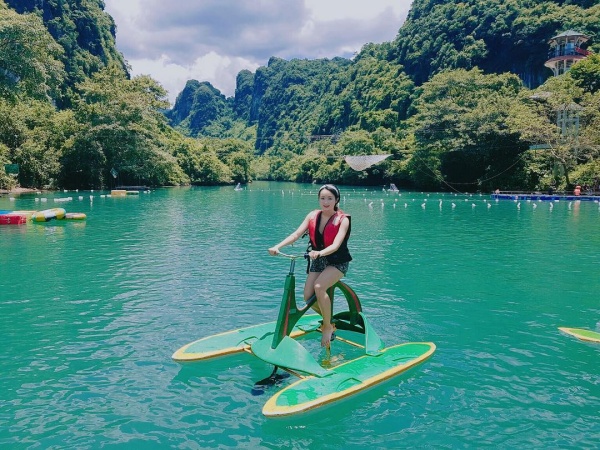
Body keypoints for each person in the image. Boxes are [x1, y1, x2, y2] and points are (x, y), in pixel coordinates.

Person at [268, 184, 352, 349]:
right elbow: (296, 234)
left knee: (319, 287)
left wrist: (320, 253)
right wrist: (278, 247)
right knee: (308, 296)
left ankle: (327, 326)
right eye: (322, 198)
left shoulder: (343, 220)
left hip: (337, 261)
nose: (326, 202)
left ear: (336, 200)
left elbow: (335, 246)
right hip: (318, 261)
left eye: (330, 198)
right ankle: (330, 319)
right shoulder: (313, 216)